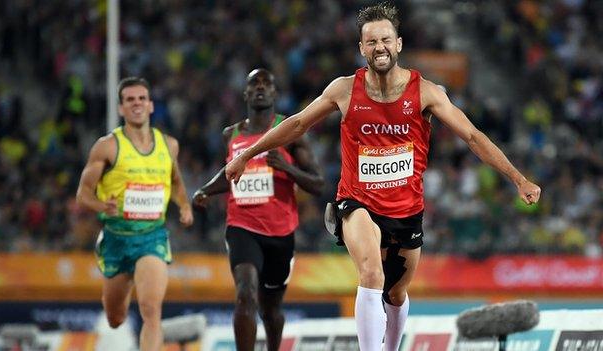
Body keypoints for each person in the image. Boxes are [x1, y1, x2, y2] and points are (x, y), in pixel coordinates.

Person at [226, 4, 542, 351]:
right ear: (362, 48)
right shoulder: (345, 90)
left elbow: (472, 136)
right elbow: (298, 123)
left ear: (399, 44)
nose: (379, 47)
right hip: (357, 202)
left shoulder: (426, 92)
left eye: (386, 40)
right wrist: (246, 154)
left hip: (407, 211)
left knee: (396, 292)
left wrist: (517, 178)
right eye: (371, 41)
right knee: (372, 274)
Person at [193, 68, 324, 351]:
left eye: (267, 83)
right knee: (245, 293)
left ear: (275, 93)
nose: (261, 88)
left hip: (281, 231)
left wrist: (287, 168)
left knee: (271, 310)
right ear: (246, 93)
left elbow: (318, 183)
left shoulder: (290, 132)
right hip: (242, 226)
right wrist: (205, 190)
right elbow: (227, 173)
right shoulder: (232, 134)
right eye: (254, 83)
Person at [76, 77, 193, 351]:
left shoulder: (169, 145)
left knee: (151, 309)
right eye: (130, 99)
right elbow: (83, 194)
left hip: (151, 236)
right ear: (121, 108)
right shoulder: (107, 147)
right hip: (117, 239)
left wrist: (184, 206)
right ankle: (125, 285)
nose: (137, 104)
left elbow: (176, 180)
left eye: (142, 98)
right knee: (115, 318)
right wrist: (102, 206)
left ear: (151, 105)